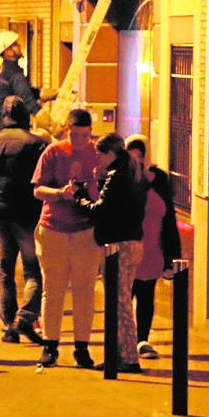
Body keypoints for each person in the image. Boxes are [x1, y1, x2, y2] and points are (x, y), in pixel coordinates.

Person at [30, 108, 103, 368]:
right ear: (66, 130)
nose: (79, 141)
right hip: (54, 228)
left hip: (85, 229)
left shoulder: (97, 153)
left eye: (84, 136)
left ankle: (82, 347)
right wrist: (62, 193)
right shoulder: (52, 152)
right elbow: (38, 190)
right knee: (53, 288)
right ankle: (51, 345)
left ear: (91, 133)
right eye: (74, 135)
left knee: (85, 291)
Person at [0, 96, 49, 345]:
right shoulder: (36, 144)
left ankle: (9, 326)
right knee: (33, 269)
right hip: (27, 214)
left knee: (4, 270)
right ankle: (25, 317)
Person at [73, 132, 146, 373]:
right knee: (121, 301)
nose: (97, 159)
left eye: (99, 154)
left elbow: (100, 210)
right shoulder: (133, 171)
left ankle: (127, 358)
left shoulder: (119, 175)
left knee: (120, 303)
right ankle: (121, 355)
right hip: (132, 241)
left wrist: (79, 197)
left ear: (111, 153)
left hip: (120, 245)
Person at [125, 135, 181, 359]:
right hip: (128, 246)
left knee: (147, 294)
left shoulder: (158, 178)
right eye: (132, 152)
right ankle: (124, 341)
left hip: (153, 247)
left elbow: (169, 216)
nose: (137, 157)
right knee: (125, 295)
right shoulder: (122, 178)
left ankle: (142, 340)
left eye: (141, 152)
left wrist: (172, 254)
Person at [0, 31, 41, 129]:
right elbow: (28, 100)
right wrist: (53, 126)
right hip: (2, 126)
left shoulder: (4, 71)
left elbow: (28, 91)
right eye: (14, 45)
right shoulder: (14, 74)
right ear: (7, 51)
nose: (19, 46)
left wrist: (57, 93)